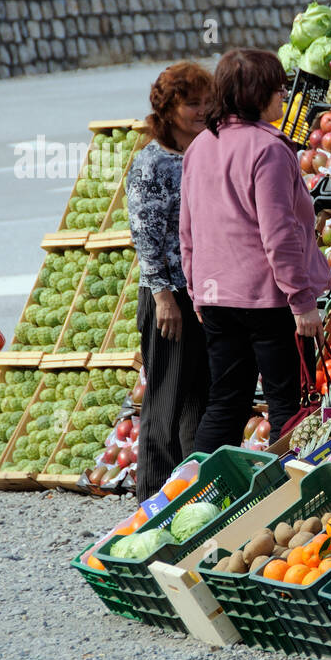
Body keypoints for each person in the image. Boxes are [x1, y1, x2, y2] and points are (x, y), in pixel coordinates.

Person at [180, 49, 331, 451]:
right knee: (288, 406)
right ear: (256, 93)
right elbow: (277, 233)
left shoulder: (199, 147)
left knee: (226, 403)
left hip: (215, 297)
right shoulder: (269, 149)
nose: (283, 96)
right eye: (278, 89)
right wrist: (302, 302)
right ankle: (285, 501)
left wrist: (197, 290)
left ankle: (198, 495)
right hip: (268, 300)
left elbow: (189, 228)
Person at [125, 62, 214, 500]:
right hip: (169, 296)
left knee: (197, 399)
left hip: (203, 293)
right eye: (191, 103)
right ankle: (150, 504)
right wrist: (163, 297)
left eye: (205, 102)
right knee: (165, 400)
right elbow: (145, 235)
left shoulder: (204, 151)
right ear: (168, 108)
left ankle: (189, 495)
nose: (202, 111)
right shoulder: (152, 162)